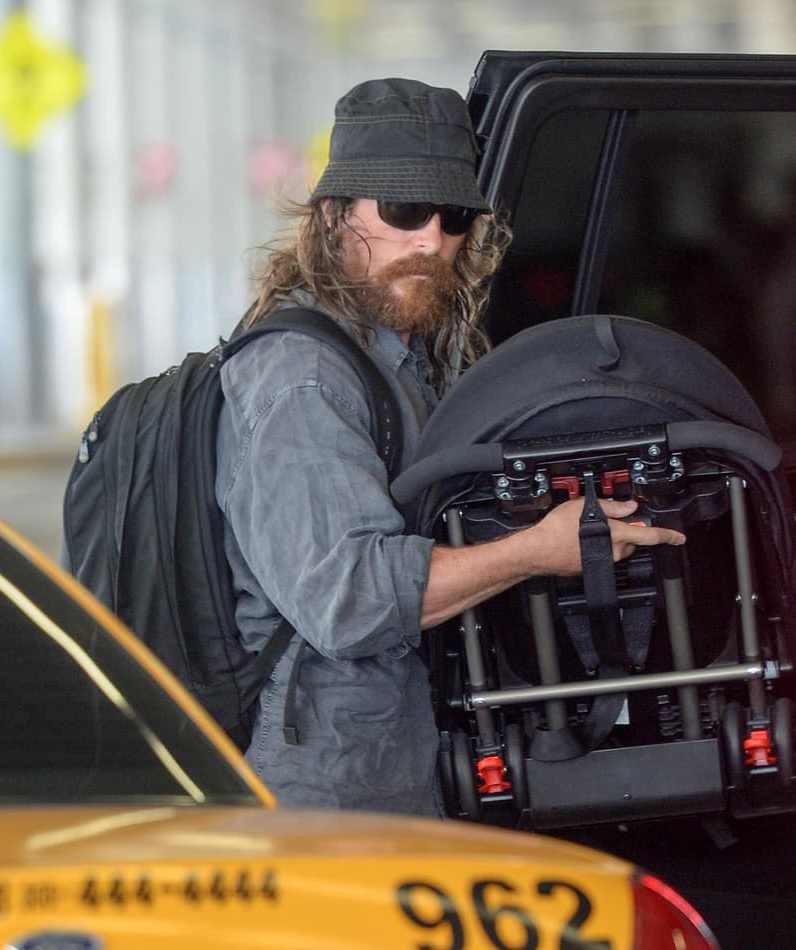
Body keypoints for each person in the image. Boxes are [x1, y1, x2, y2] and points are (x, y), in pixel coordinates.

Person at [216, 77, 685, 815]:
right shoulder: (302, 377)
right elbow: (352, 600)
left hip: (400, 771)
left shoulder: (403, 360)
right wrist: (536, 550)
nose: (429, 239)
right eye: (403, 210)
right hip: (330, 797)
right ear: (336, 216)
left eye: (454, 215)